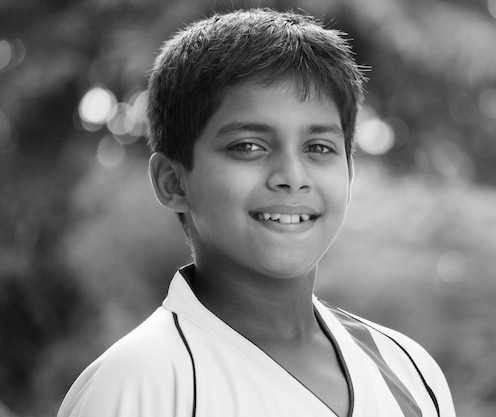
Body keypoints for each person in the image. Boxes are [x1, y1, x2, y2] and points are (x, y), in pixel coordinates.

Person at [58, 8, 456, 417]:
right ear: (173, 182)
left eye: (319, 148)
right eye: (248, 146)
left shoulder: (408, 371)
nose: (292, 177)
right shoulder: (140, 384)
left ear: (349, 174)